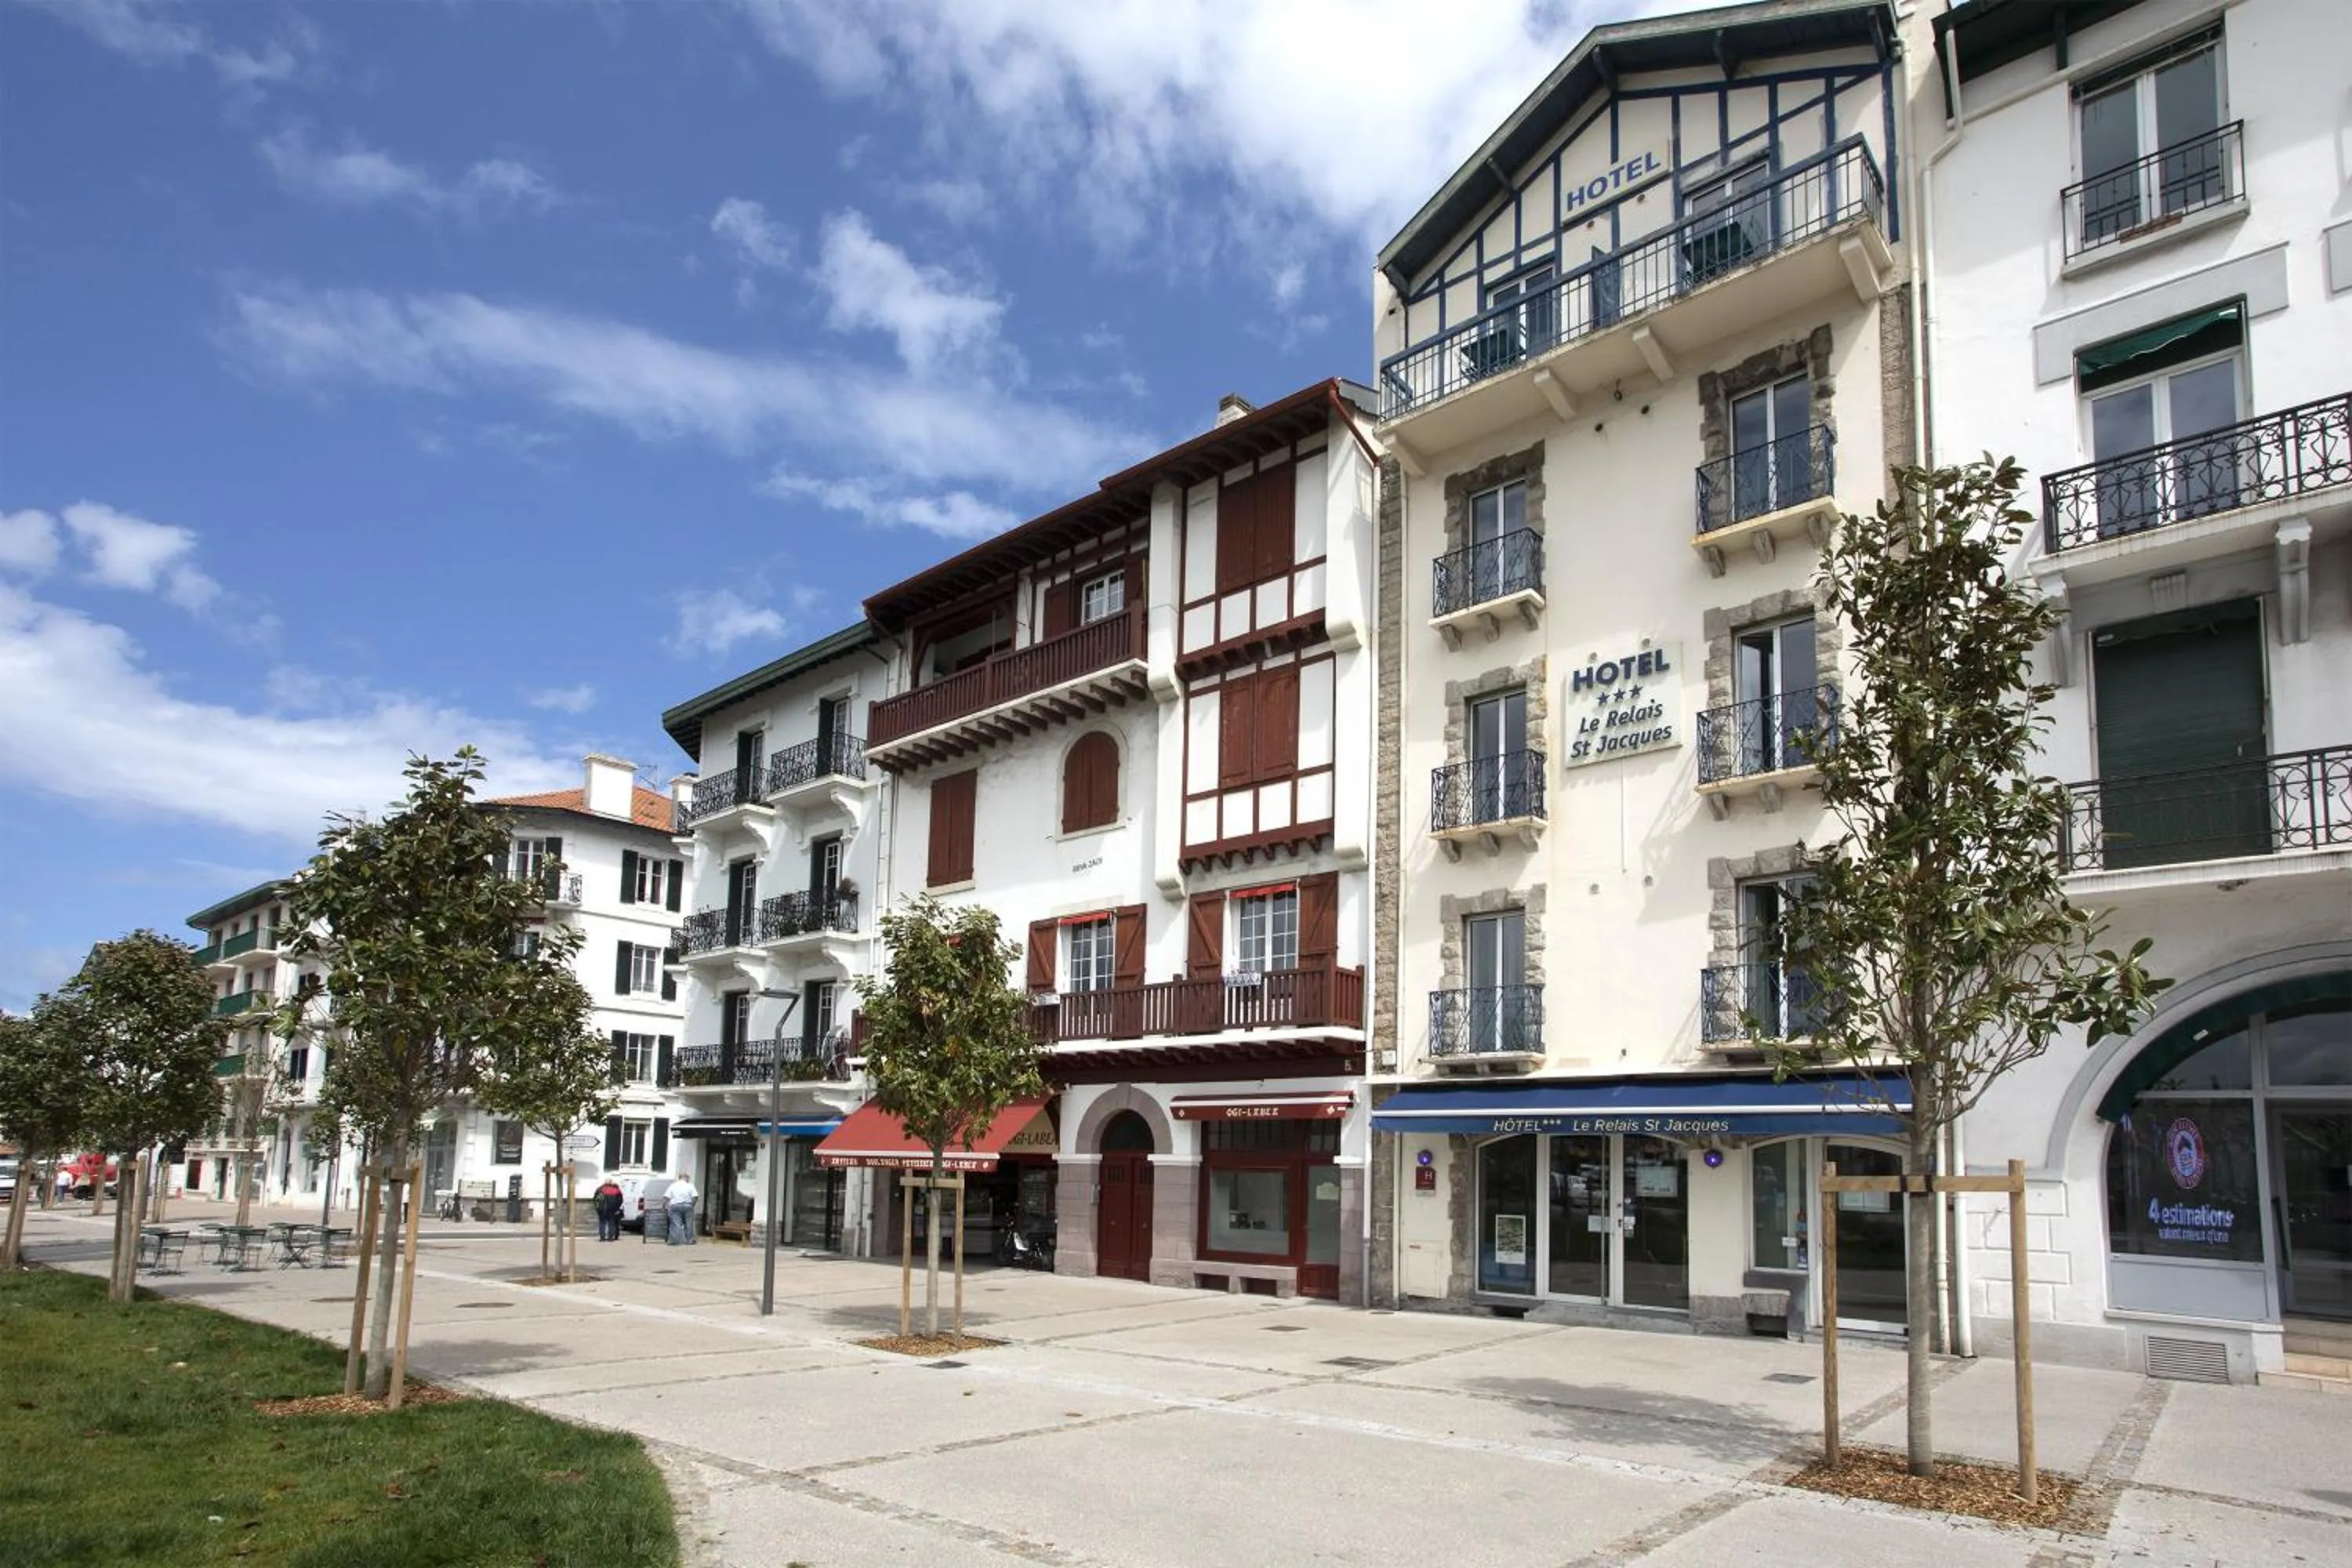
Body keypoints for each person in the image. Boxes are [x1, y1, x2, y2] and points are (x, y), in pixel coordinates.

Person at [665, 1172, 699, 1245]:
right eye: (688, 1178)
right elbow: (695, 1197)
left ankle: (675, 1240)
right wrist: (692, 1205)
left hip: (676, 1206)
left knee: (676, 1224)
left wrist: (665, 1206)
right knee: (689, 1224)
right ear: (686, 1178)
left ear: (679, 1178)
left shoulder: (673, 1186)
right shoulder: (690, 1186)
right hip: (688, 1206)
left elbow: (667, 1197)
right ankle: (690, 1240)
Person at [593, 1177, 625, 1243]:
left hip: (601, 1209)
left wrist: (597, 1208)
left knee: (602, 1223)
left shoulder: (599, 1189)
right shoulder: (616, 1190)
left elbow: (595, 1199)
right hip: (612, 1209)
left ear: (605, 1182)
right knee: (611, 1223)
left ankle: (602, 1237)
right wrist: (617, 1208)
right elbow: (620, 1200)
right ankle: (610, 1238)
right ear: (611, 1183)